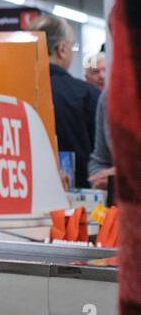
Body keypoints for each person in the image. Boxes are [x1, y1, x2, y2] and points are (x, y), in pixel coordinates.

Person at [32, 13, 101, 190]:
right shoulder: (87, 95)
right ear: (61, 49)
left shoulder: (10, 92)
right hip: (80, 204)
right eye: (72, 46)